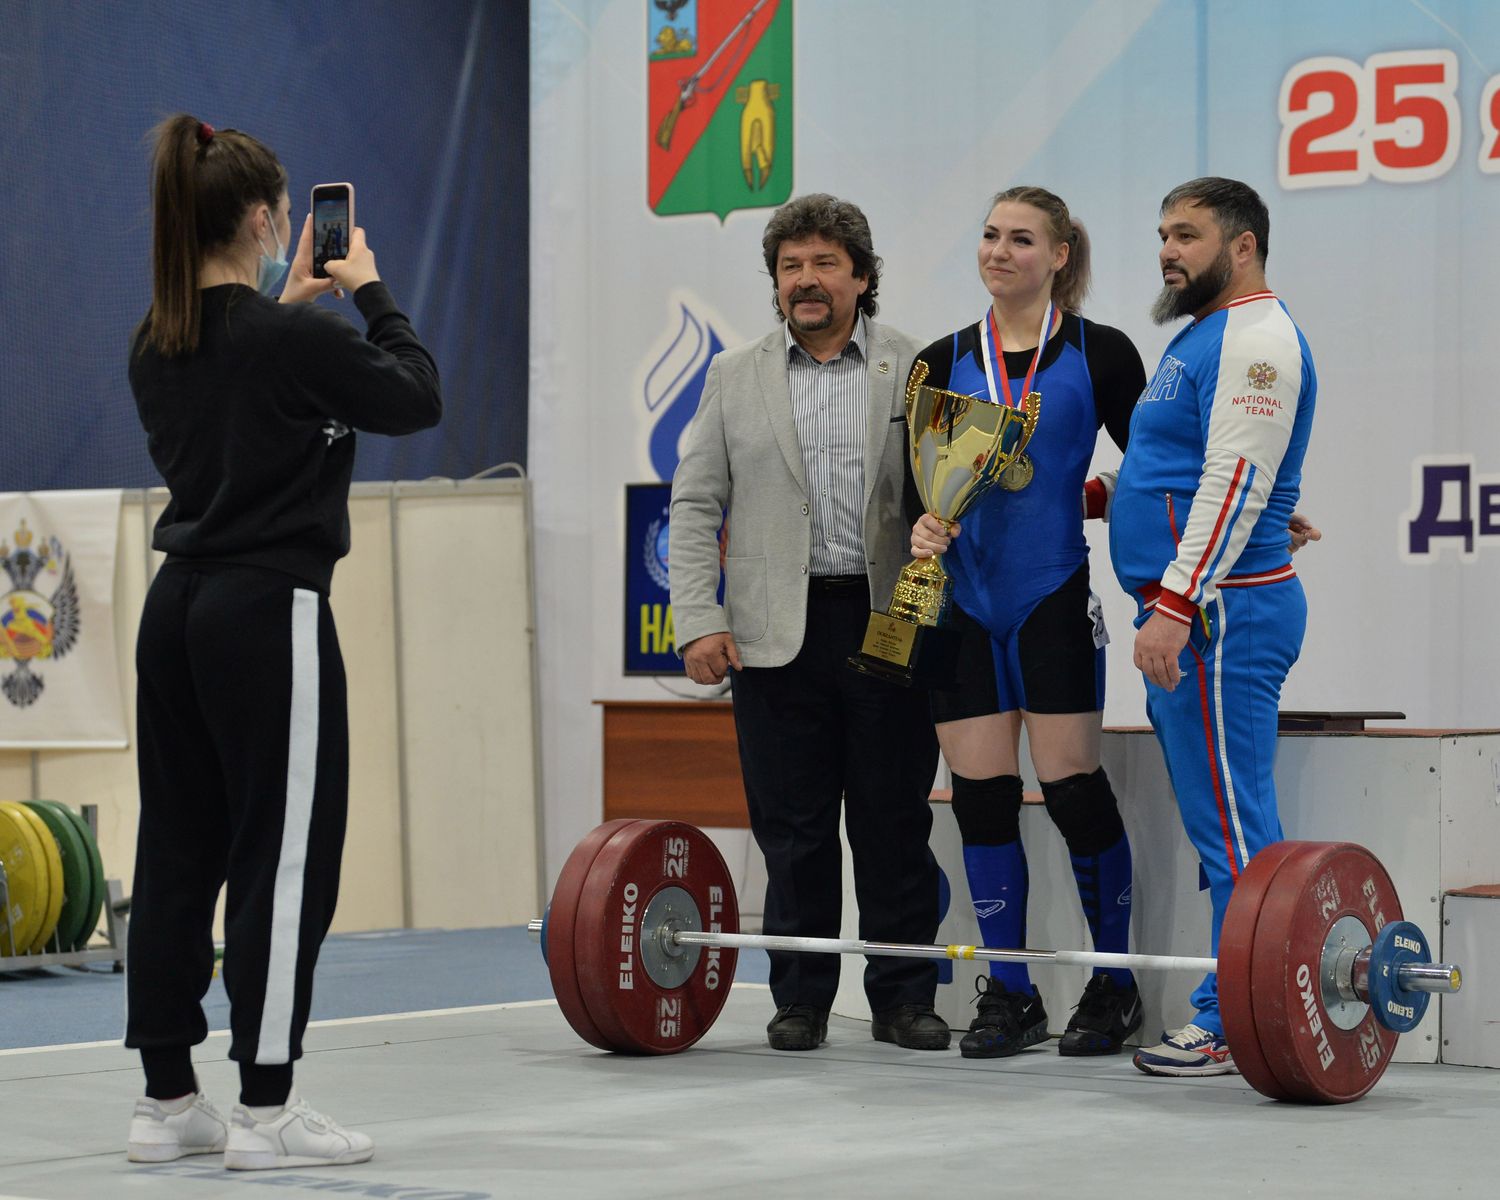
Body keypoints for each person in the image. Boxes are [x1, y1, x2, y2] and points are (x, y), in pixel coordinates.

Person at [123, 115, 440, 1167]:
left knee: (176, 849)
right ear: (265, 219)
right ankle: (266, 1106)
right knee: (284, 854)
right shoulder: (295, 341)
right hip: (268, 611)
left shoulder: (157, 340)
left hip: (176, 612)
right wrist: (369, 290)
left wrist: (291, 303)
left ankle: (166, 1101)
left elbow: (241, 379)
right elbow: (417, 394)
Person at [669, 193, 949, 1054]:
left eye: (826, 263)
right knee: (791, 830)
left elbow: (951, 488)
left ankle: (904, 999)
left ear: (862, 277)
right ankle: (800, 999)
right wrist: (698, 619)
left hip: (888, 624)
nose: (806, 280)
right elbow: (695, 503)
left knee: (893, 821)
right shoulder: (733, 375)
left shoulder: (918, 366)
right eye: (791, 266)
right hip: (772, 636)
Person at [908, 187, 1148, 1060]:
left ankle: (1114, 984)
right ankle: (1010, 993)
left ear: (1059, 255)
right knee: (979, 799)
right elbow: (914, 486)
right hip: (963, 605)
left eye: (1020, 239)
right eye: (989, 235)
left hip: (1051, 598)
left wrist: (1098, 496)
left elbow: (1158, 468)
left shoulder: (1101, 352)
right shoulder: (940, 360)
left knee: (1073, 789)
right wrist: (920, 528)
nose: (999, 251)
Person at [1107, 177, 1316, 1077]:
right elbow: (1188, 468)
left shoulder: (1255, 339)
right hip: (1204, 605)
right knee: (1220, 824)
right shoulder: (1201, 336)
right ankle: (1243, 1004)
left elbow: (1235, 482)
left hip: (1219, 613)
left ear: (1243, 245)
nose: (1167, 250)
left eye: (1186, 234)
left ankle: (1239, 1017)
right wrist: (1104, 498)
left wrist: (1177, 604)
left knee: (1234, 828)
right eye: (1162, 233)